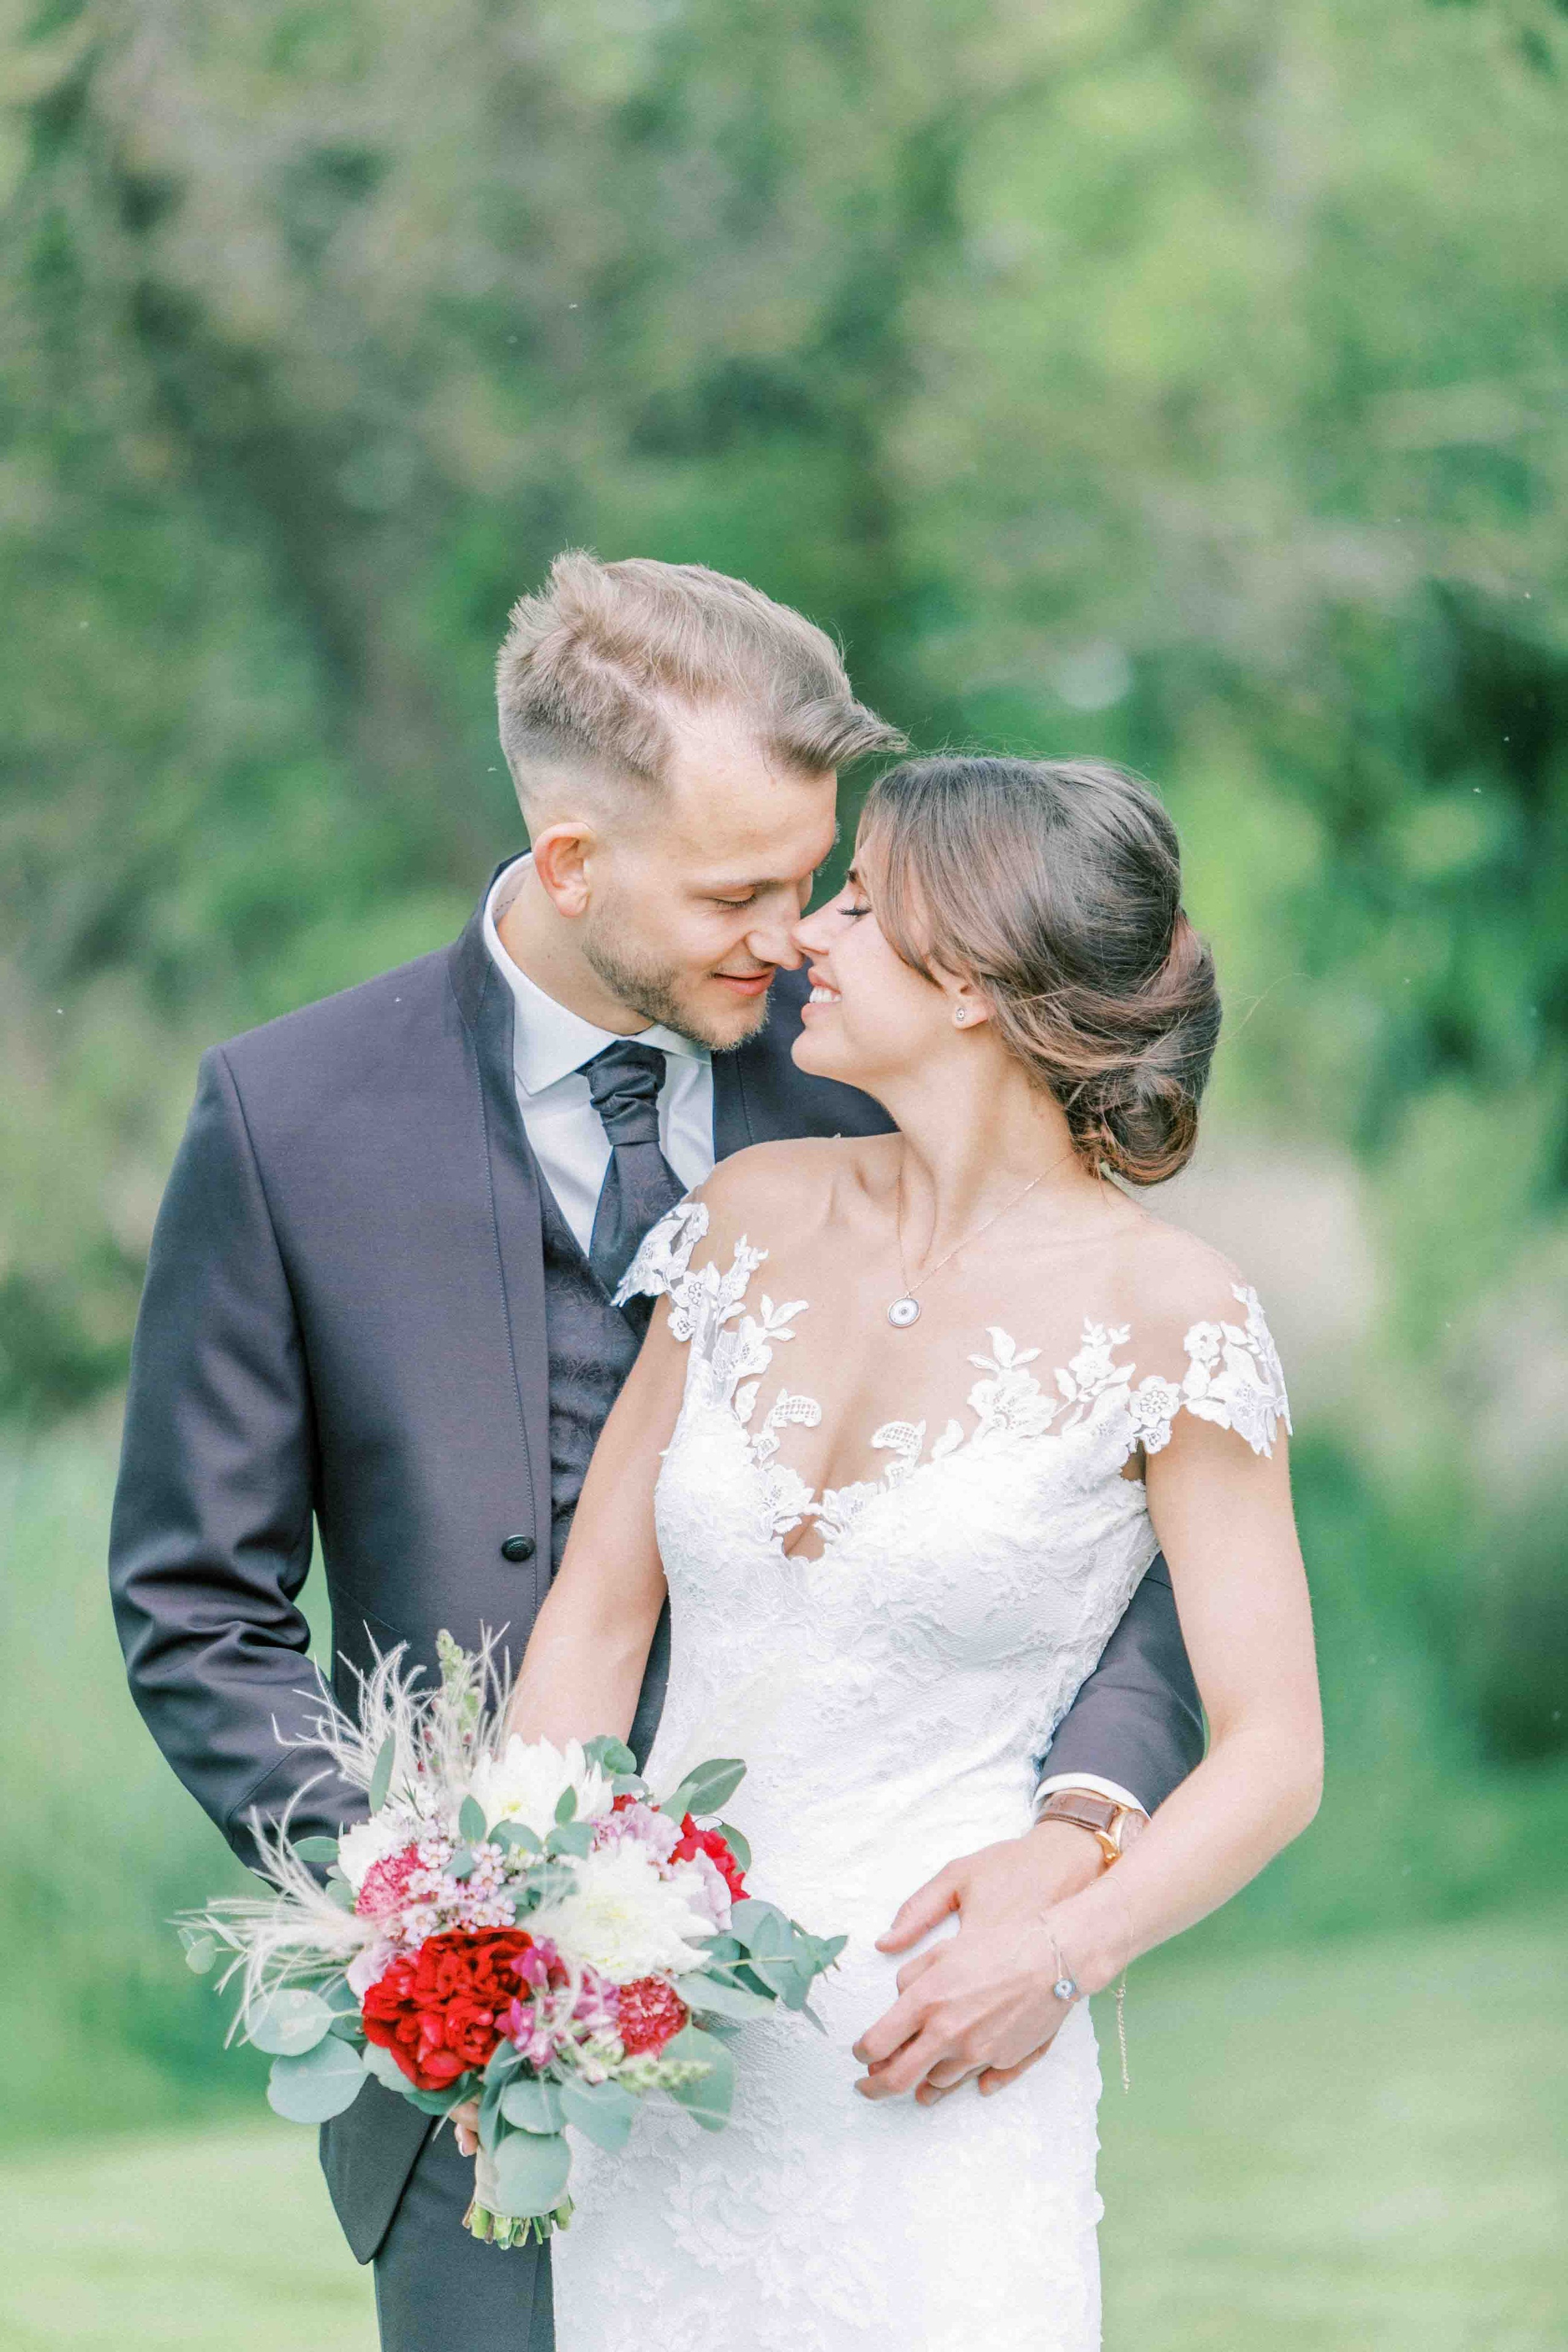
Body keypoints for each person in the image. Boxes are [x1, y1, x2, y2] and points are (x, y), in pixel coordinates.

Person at [108, 559, 1205, 2352]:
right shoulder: (288, 1122)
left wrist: (1079, 1834)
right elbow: (195, 1605)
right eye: (745, 892)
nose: (795, 937)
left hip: (865, 2034)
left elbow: (1121, 1504)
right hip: (469, 2074)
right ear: (571, 866)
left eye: (817, 878)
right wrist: (443, 1918)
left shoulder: (882, 1059)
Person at [498, 752, 1322, 2352]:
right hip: (657, 2048)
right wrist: (514, 1944)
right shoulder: (742, 1217)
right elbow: (595, 1630)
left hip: (944, 2056)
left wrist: (1064, 1954)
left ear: (976, 983)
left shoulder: (1177, 1315)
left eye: (865, 907)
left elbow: (1274, 1753)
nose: (809, 934)